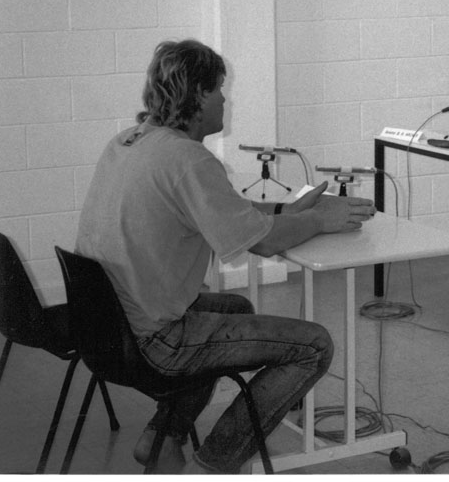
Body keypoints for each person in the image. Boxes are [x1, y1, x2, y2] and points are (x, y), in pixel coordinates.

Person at [76, 40, 376, 474]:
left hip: (105, 328)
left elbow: (220, 210)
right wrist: (321, 220)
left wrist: (283, 213)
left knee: (234, 308)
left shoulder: (129, 141)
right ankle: (216, 464)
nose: (225, 99)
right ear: (197, 94)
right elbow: (264, 244)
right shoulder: (188, 159)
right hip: (154, 340)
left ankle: (162, 437)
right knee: (313, 345)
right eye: (219, 89)